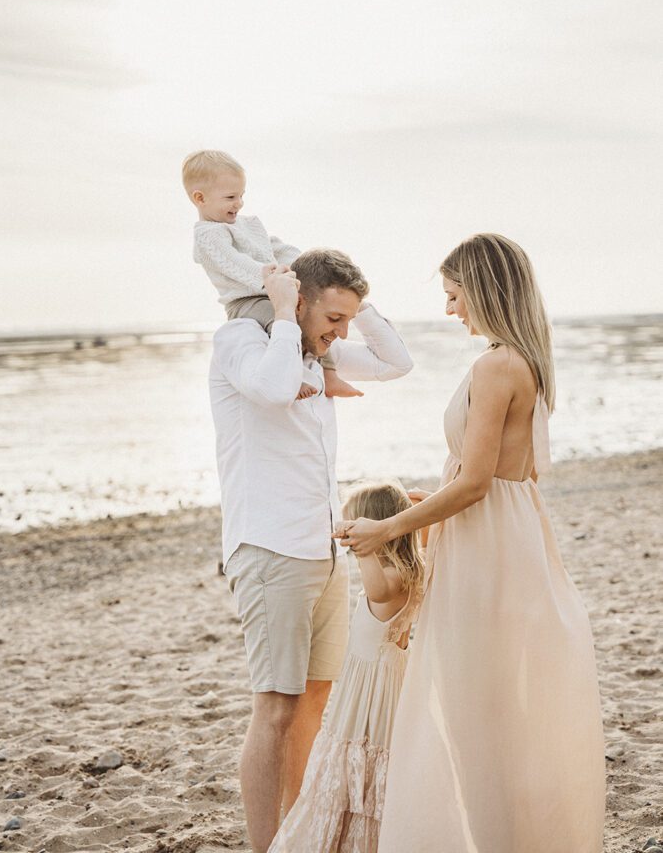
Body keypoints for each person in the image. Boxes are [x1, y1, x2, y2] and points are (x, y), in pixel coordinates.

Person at [334, 233, 605, 853]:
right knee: (492, 698)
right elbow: (467, 475)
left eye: (455, 295)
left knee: (472, 700)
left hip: (489, 544)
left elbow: (476, 482)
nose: (451, 309)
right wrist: (422, 547)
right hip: (504, 538)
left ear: (482, 290)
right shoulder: (522, 362)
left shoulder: (497, 365)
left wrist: (388, 529)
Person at [209, 248, 413, 853]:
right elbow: (272, 392)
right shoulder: (242, 340)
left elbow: (395, 362)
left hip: (323, 549)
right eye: (334, 317)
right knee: (276, 706)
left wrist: (357, 301)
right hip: (270, 548)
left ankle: (295, 835)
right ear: (296, 301)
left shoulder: (313, 348)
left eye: (348, 320)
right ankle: (265, 846)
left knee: (316, 700)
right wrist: (280, 311)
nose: (341, 333)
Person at [269, 479, 424, 853]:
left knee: (355, 754)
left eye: (354, 526)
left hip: (369, 691)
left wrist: (364, 550)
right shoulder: (414, 571)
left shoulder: (389, 579)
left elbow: (375, 592)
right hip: (383, 682)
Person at [183, 148, 361, 399]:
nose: (239, 203)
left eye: (242, 195)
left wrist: (311, 268)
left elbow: (276, 247)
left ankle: (329, 374)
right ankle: (292, 376)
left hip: (276, 289)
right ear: (200, 198)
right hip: (247, 300)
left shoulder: (247, 224)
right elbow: (233, 264)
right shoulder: (208, 237)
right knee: (281, 322)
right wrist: (272, 279)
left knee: (312, 316)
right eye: (231, 197)